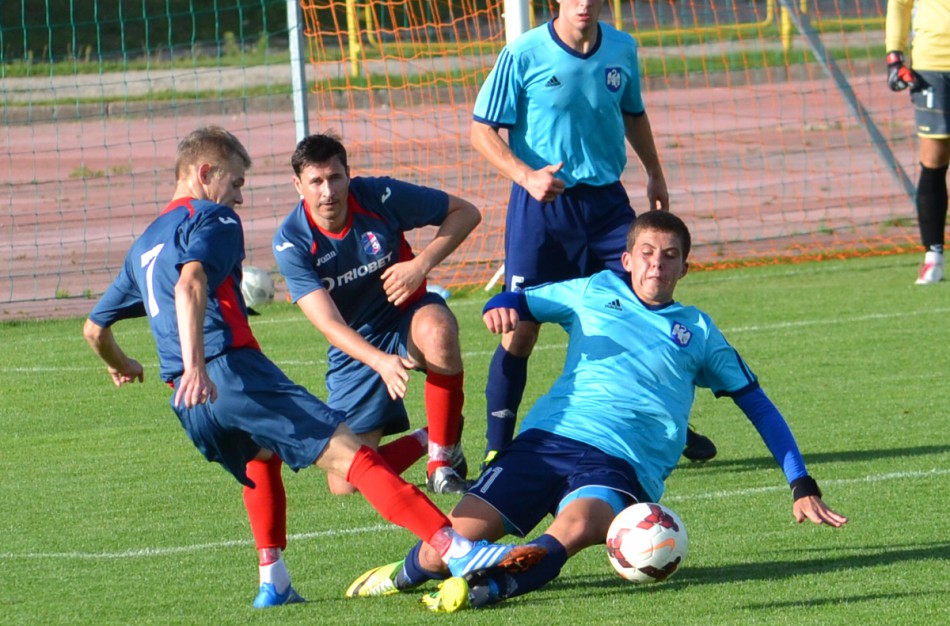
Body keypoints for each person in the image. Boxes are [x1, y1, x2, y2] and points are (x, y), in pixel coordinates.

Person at [82, 126, 545, 610]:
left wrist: (125, 363)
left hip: (187, 400)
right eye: (236, 183)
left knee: (260, 459)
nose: (238, 198)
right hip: (228, 373)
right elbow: (190, 285)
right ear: (204, 174)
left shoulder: (143, 246)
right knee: (353, 460)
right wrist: (199, 365)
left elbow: (95, 328)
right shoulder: (213, 219)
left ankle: (273, 582)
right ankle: (459, 549)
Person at [343, 211, 848, 612]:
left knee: (577, 528)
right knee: (444, 546)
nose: (657, 264)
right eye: (647, 253)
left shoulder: (698, 330)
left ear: (684, 268)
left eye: (670, 256)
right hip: (546, 442)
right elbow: (518, 298)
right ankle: (403, 574)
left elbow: (757, 404)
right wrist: (500, 306)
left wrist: (800, 482)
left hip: (621, 465)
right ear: (626, 260)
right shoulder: (593, 292)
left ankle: (487, 589)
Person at [470, 0, 716, 463]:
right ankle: (496, 449)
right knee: (519, 329)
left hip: (607, 209)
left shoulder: (622, 48)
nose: (582, 3)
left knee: (643, 315)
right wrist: (527, 176)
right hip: (542, 209)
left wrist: (655, 173)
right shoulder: (523, 53)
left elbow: (634, 114)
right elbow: (482, 131)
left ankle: (670, 427)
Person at [272, 132, 479, 496]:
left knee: (438, 330)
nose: (328, 192)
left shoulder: (380, 196)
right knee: (345, 484)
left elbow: (466, 212)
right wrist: (380, 361)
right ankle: (435, 436)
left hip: (406, 317)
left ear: (348, 175)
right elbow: (330, 325)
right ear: (297, 185)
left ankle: (441, 464)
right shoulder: (292, 241)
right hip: (357, 345)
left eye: (335, 177)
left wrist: (420, 265)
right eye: (316, 182)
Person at [885, 0, 950, 284]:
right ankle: (932, 256)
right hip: (933, 66)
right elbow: (899, 4)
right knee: (934, 159)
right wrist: (894, 56)